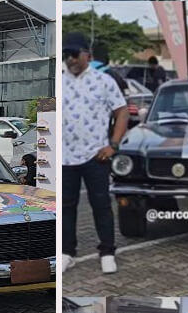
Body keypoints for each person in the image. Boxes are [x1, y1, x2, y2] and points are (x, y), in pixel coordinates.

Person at [61, 32, 129, 275]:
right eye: (66, 55)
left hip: (96, 155)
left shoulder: (104, 81)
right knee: (67, 206)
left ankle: (108, 252)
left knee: (100, 204)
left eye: (75, 54)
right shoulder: (59, 81)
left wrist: (114, 144)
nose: (70, 60)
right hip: (65, 157)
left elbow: (122, 111)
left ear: (87, 55)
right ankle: (67, 251)